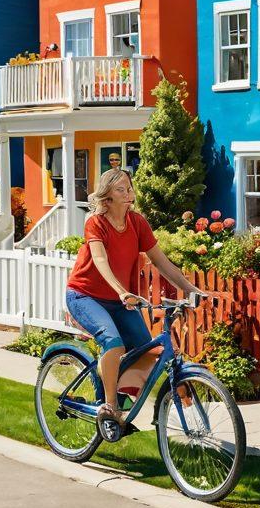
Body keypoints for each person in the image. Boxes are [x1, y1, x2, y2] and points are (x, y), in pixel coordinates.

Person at [66, 167, 202, 435]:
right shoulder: (96, 222)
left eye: (129, 188)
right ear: (108, 196)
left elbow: (161, 261)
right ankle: (110, 407)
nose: (129, 194)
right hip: (85, 296)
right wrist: (121, 291)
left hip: (120, 301)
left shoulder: (137, 222)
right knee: (113, 343)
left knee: (146, 353)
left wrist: (191, 289)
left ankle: (117, 390)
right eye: (121, 190)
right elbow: (101, 261)